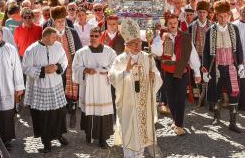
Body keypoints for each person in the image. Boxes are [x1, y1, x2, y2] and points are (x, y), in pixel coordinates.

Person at [109, 18, 162, 158]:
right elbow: (112, 78)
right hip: (128, 104)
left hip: (144, 104)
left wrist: (153, 77)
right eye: (132, 43)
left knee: (143, 135)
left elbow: (157, 77)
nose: (136, 46)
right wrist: (125, 71)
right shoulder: (120, 59)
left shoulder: (148, 58)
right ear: (126, 45)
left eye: (138, 43)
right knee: (130, 133)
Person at [151, 13, 201, 136]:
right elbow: (155, 51)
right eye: (170, 23)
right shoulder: (161, 36)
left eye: (175, 23)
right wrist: (162, 39)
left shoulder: (185, 37)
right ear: (167, 24)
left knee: (180, 98)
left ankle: (179, 125)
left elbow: (192, 54)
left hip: (181, 70)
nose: (173, 25)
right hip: (167, 70)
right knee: (170, 97)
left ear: (178, 23)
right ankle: (174, 118)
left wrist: (197, 72)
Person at [22, 27, 69, 153]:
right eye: (53, 37)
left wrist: (57, 67)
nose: (56, 39)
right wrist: (43, 70)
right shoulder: (32, 49)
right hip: (40, 87)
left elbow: (64, 60)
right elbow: (25, 68)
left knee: (59, 112)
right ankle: (46, 141)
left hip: (56, 85)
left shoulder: (58, 46)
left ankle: (59, 135)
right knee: (43, 116)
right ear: (46, 37)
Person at [202, 0, 244, 133]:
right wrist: (205, 70)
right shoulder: (211, 30)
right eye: (220, 15)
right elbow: (205, 52)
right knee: (216, 92)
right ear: (216, 15)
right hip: (217, 67)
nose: (223, 18)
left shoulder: (234, 29)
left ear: (229, 15)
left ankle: (233, 122)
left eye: (225, 15)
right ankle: (216, 117)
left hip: (231, 66)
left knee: (234, 93)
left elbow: (239, 48)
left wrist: (241, 64)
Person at [72, 27, 116, 148]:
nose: (94, 38)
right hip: (89, 87)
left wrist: (106, 71)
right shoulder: (81, 52)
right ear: (89, 36)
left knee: (103, 111)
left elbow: (115, 66)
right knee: (89, 110)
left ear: (100, 36)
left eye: (96, 36)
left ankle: (103, 138)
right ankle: (89, 134)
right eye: (92, 36)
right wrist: (86, 69)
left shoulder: (109, 52)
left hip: (103, 88)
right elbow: (75, 68)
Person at [48, 5, 82, 127]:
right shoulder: (49, 34)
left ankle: (72, 114)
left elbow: (79, 50)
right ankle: (59, 120)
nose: (61, 23)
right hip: (55, 69)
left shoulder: (71, 32)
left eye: (63, 21)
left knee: (72, 94)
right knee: (58, 94)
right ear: (54, 21)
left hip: (70, 67)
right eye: (58, 21)